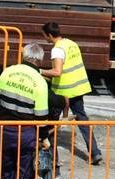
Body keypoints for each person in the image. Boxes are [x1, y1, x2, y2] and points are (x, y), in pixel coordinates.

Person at [0, 43, 49, 179]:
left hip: (5, 130)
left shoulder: (7, 72)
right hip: (26, 133)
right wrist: (44, 138)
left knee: (6, 169)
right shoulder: (39, 82)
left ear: (23, 56)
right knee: (24, 174)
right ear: (40, 60)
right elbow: (41, 118)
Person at [40, 22, 102, 165]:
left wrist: (39, 71)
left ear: (49, 35)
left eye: (44, 35)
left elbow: (57, 72)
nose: (44, 38)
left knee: (53, 123)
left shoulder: (57, 50)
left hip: (63, 91)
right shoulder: (71, 44)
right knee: (82, 119)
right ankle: (95, 152)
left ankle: (52, 159)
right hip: (77, 88)